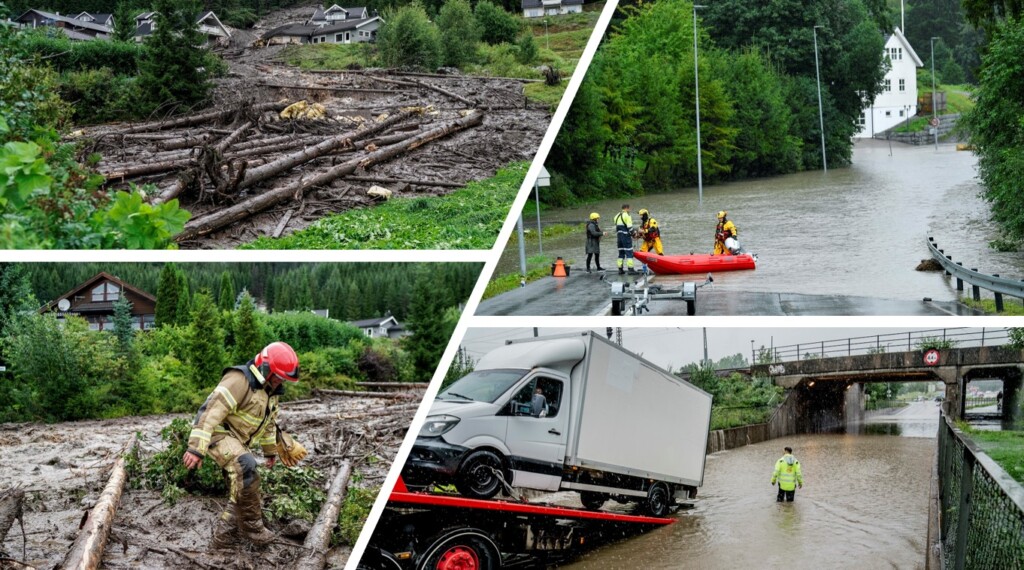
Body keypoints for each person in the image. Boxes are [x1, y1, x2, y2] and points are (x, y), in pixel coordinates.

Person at [183, 341, 309, 548]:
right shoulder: (238, 380)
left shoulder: (270, 392)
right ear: (265, 369)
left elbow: (268, 423)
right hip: (218, 434)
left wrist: (270, 452)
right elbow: (209, 412)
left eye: (283, 379)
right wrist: (196, 448)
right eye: (278, 377)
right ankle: (252, 529)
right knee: (247, 467)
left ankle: (224, 538)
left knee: (242, 484)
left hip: (238, 441)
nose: (279, 382)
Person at [614, 204, 637, 274]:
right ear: (626, 208)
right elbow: (630, 227)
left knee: (621, 253)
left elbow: (617, 226)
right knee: (629, 253)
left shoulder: (616, 216)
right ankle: (631, 269)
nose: (629, 210)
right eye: (629, 209)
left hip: (619, 237)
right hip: (626, 237)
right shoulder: (627, 216)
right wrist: (634, 234)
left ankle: (620, 269)